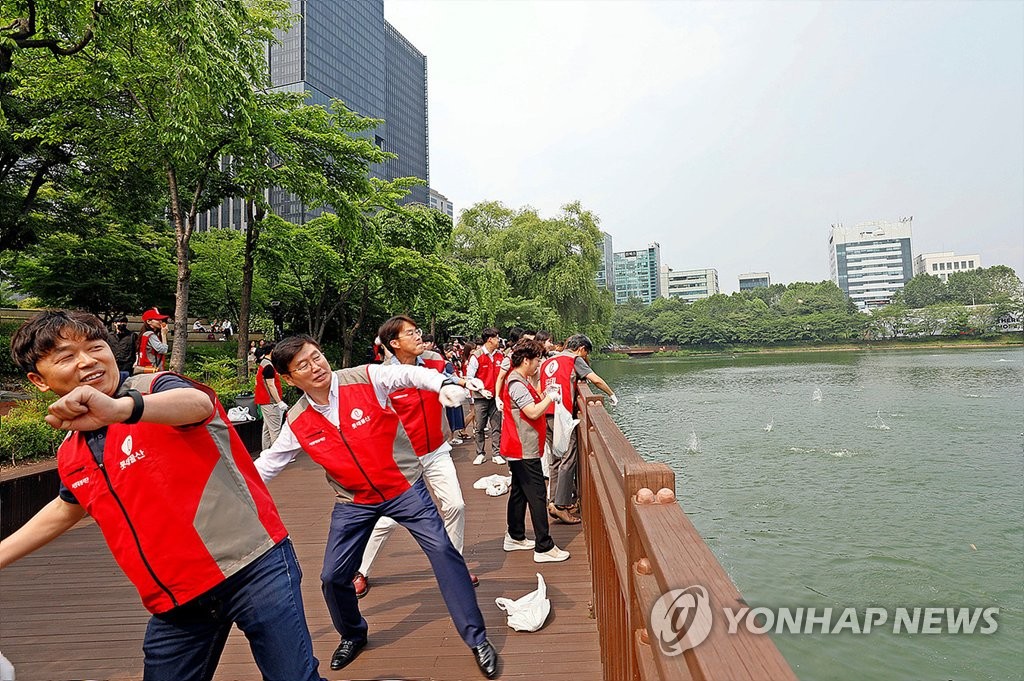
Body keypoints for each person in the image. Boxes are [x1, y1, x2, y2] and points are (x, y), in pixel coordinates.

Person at [1, 310, 324, 681]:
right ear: (38, 380)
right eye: (66, 357)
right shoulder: (71, 452)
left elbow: (199, 404)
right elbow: (68, 506)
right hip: (176, 599)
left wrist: (121, 410)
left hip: (253, 566)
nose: (88, 360)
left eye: (95, 346)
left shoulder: (155, 389)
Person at [254, 335, 499, 678]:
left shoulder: (364, 377)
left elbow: (408, 375)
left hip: (404, 488)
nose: (316, 366)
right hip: (354, 501)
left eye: (317, 356)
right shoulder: (297, 420)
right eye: (303, 365)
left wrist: (441, 382)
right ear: (290, 379)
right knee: (332, 578)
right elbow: (269, 464)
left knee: (444, 551)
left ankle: (477, 639)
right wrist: (233, 494)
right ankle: (354, 633)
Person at [352, 316, 484, 599]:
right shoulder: (381, 378)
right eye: (410, 333)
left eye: (418, 331)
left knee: (456, 506)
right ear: (394, 343)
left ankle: (453, 566)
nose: (418, 336)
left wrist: (467, 385)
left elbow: (451, 380)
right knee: (387, 520)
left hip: (436, 450)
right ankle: (360, 571)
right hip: (401, 459)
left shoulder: (435, 365)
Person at [500, 339, 570, 563]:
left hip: (519, 446)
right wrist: (551, 397)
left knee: (520, 492)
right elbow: (531, 412)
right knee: (538, 495)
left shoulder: (520, 379)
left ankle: (515, 535)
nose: (539, 364)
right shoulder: (516, 383)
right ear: (526, 360)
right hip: (522, 448)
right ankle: (544, 546)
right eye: (537, 359)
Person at [541, 333, 618, 523]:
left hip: (545, 411)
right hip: (562, 414)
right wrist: (611, 394)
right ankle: (560, 505)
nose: (585, 358)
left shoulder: (549, 360)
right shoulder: (573, 359)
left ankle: (554, 501)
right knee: (568, 456)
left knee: (555, 459)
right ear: (582, 348)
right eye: (585, 353)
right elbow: (596, 380)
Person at [466, 328, 505, 466]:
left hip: (496, 397)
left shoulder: (501, 355)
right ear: (490, 339)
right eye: (497, 337)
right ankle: (480, 453)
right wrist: (481, 390)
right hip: (480, 397)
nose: (498, 340)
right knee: (480, 427)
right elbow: (469, 378)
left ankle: (496, 453)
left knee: (496, 426)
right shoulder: (476, 356)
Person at [254, 343, 288, 448]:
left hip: (264, 401)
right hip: (270, 402)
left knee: (267, 429)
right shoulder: (268, 366)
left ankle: (266, 452)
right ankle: (278, 456)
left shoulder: (264, 363)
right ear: (272, 351)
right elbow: (271, 386)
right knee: (275, 430)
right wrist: (279, 402)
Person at [135, 307, 169, 373]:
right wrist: (164, 334)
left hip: (144, 367)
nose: (160, 321)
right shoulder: (151, 335)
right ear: (149, 321)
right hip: (152, 369)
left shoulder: (144, 334)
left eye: (161, 320)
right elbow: (163, 350)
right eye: (157, 319)